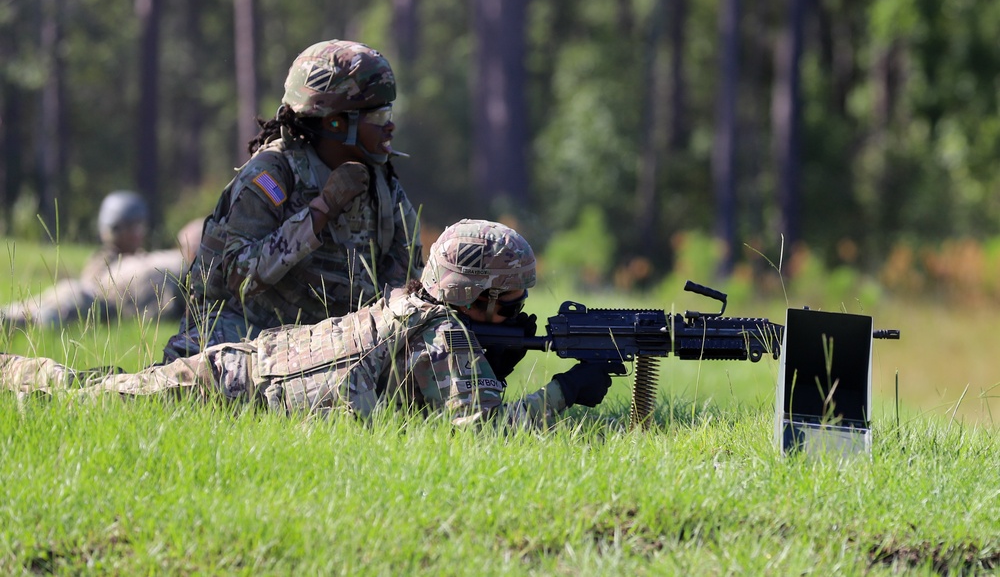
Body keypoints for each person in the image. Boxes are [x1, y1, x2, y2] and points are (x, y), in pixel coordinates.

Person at [1, 220, 623, 427]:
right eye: (510, 302)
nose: (516, 313)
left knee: (92, 387)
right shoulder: (439, 332)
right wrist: (565, 391)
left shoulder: (417, 310)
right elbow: (484, 438)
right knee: (76, 398)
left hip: (239, 372)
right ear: (476, 296)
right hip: (224, 385)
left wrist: (490, 363)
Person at [162, 39, 422, 364]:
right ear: (335, 122)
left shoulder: (383, 185)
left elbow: (406, 284)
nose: (390, 125)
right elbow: (239, 278)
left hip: (326, 347)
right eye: (379, 115)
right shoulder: (273, 174)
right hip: (242, 337)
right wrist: (321, 211)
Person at [1, 191, 188, 328]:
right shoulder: (105, 259)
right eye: (134, 227)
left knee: (46, 311)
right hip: (89, 298)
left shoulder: (145, 261)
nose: (140, 233)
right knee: (47, 307)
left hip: (96, 302)